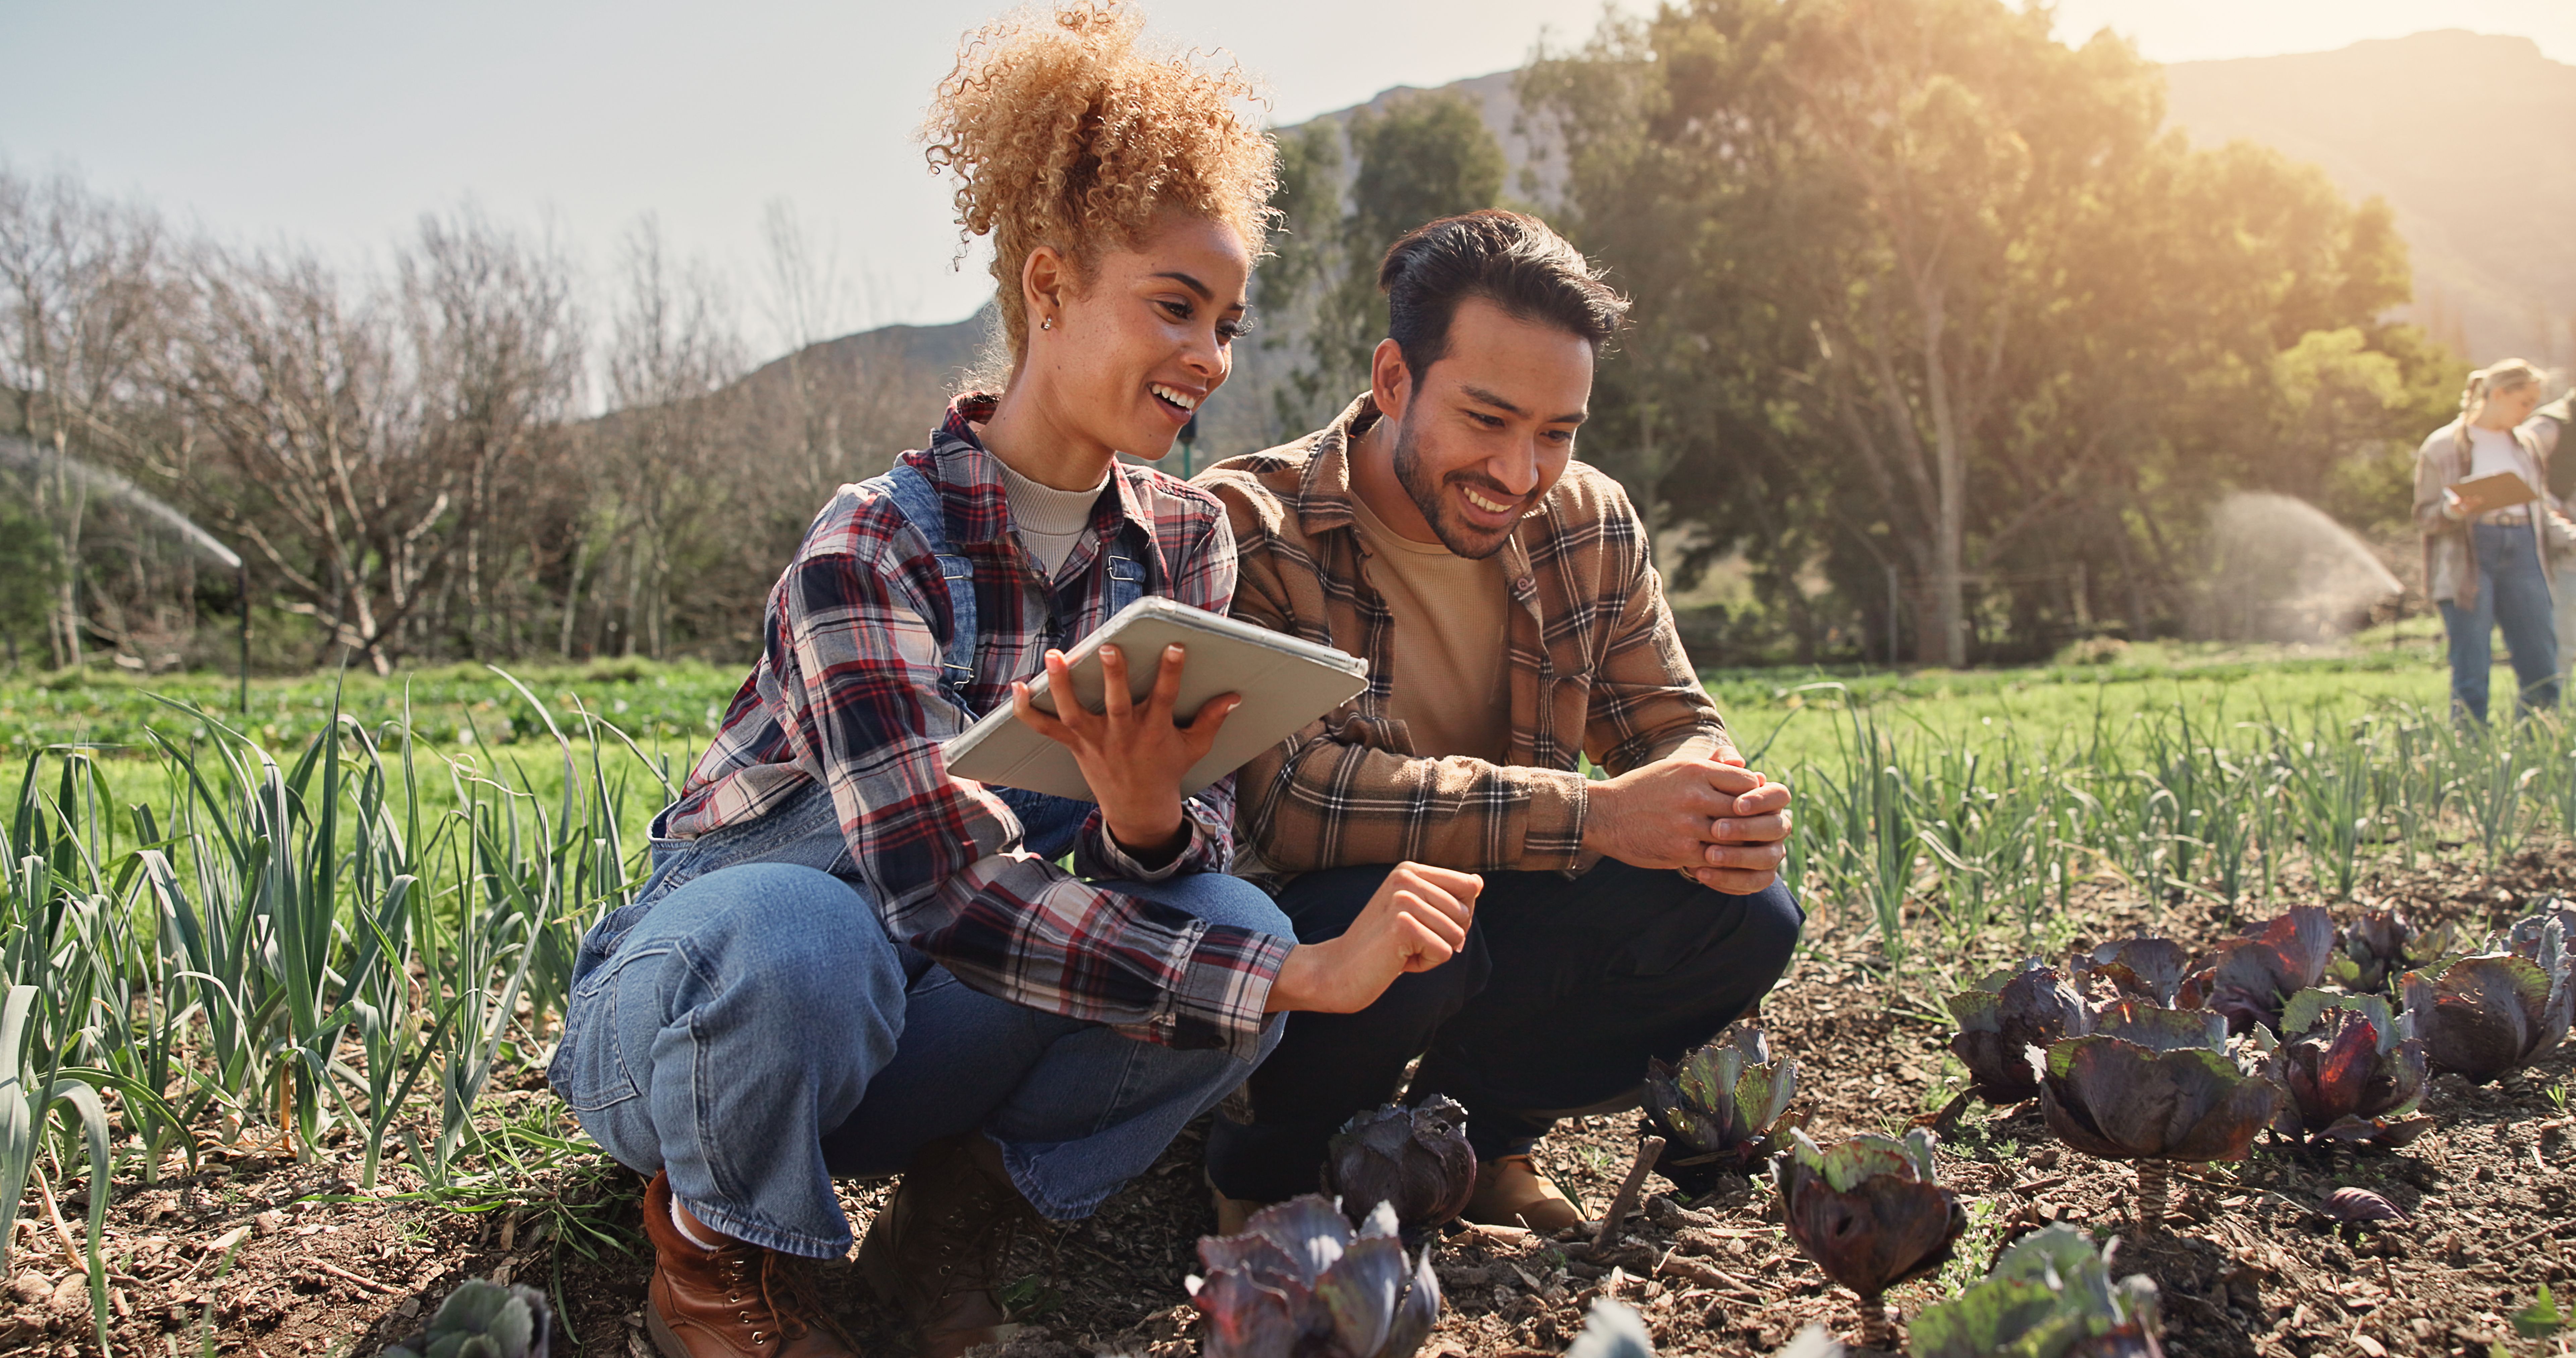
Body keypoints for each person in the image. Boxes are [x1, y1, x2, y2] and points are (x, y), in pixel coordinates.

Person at [548, 9, 1480, 1357]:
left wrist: (1146, 820)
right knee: (810, 935)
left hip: (913, 1037)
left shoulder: (1184, 543)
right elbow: (937, 885)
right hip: (709, 1023)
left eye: (1227, 323)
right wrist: (1302, 974)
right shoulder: (871, 545)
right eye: (1175, 307)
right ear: (1049, 288)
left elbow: (1188, 859)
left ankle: (955, 1212)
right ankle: (712, 1254)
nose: (1211, 357)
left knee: (1222, 915)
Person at [1195, 210, 1802, 1234]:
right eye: (1487, 420)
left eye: (1556, 433)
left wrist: (1715, 797)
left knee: (1746, 916)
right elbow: (1294, 802)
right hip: (1313, 924)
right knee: (1410, 921)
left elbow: (1667, 718)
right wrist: (1600, 817)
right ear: (1395, 380)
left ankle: (1480, 1143)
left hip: (1497, 897)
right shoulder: (1253, 523)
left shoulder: (1588, 521)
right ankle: (1266, 1175)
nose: (1519, 473)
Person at [2414, 358, 2570, 722]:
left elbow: (2540, 508)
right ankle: (2471, 746)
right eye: (2524, 402)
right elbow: (2424, 515)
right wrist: (2453, 511)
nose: (2530, 411)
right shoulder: (2442, 446)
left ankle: (2537, 744)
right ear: (2498, 395)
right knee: (2472, 669)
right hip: (2469, 558)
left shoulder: (2527, 445)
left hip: (2525, 551)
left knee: (2541, 666)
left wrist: (2570, 536)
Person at [2533, 379, 2575, 677]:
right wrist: (2550, 506)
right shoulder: (2548, 426)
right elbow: (2518, 473)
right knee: (2563, 640)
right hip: (2562, 549)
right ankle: (2552, 702)